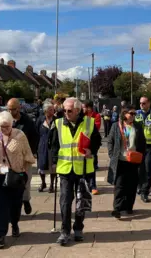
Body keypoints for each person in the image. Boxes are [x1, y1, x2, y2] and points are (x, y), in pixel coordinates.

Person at [49, 97, 102, 246]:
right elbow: (53, 145)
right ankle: (64, 232)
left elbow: (97, 140)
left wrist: (92, 149)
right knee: (65, 201)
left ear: (78, 110)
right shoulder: (58, 123)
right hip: (65, 169)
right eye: (64, 110)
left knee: (81, 202)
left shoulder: (89, 123)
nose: (66, 113)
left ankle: (78, 228)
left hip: (83, 169)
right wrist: (53, 163)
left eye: (69, 110)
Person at [0, 111, 35, 248]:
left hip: (16, 176)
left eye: (7, 126)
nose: (4, 129)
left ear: (12, 124)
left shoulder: (20, 136)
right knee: (0, 205)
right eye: (1, 127)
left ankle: (15, 223)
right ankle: (1, 235)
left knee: (15, 204)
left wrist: (22, 171)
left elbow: (28, 156)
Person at [107, 105, 146, 219]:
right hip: (120, 160)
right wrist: (111, 154)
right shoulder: (116, 126)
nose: (133, 116)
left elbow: (142, 143)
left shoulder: (138, 126)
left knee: (132, 185)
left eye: (135, 114)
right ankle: (117, 209)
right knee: (119, 185)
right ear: (124, 114)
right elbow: (110, 141)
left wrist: (140, 155)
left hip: (133, 160)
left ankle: (129, 207)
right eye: (131, 113)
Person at [6, 98, 39, 215]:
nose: (10, 112)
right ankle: (15, 205)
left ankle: (26, 200)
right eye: (8, 109)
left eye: (13, 109)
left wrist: (32, 153)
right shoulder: (6, 120)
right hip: (9, 158)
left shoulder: (27, 121)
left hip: (24, 158)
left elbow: (35, 138)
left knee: (25, 181)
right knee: (10, 182)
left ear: (19, 108)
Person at [82, 100, 102, 195]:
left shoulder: (96, 116)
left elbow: (96, 129)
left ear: (89, 108)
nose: (83, 109)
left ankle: (93, 185)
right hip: (82, 146)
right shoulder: (81, 117)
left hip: (91, 145)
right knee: (83, 168)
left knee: (91, 166)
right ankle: (87, 184)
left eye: (84, 107)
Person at [36, 101, 57, 193]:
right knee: (42, 165)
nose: (52, 111)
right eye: (50, 110)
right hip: (42, 146)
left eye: (53, 109)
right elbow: (36, 132)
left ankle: (52, 184)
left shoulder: (56, 120)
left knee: (53, 166)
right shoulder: (40, 120)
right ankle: (43, 182)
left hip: (53, 146)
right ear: (45, 111)